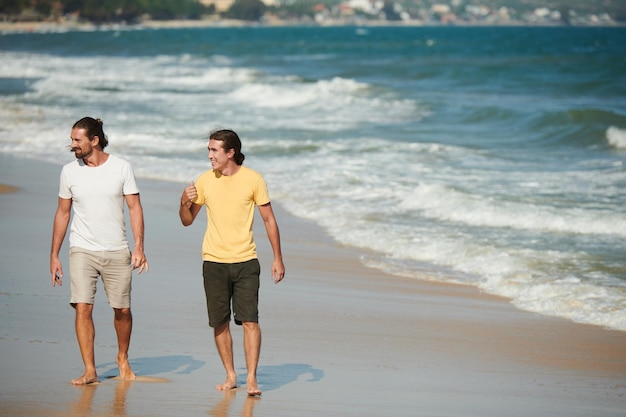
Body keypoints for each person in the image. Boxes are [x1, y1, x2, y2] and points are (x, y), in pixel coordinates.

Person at [179, 129, 285, 396]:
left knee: (250, 320)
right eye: (209, 149)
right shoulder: (204, 181)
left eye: (214, 150)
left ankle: (251, 378)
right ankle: (230, 375)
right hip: (213, 262)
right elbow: (187, 220)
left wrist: (278, 258)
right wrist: (183, 201)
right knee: (219, 322)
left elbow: (269, 219)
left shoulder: (253, 179)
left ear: (231, 153)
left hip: (246, 261)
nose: (209, 155)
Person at [50, 117, 149, 385]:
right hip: (82, 248)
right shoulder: (69, 171)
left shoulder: (121, 168)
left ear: (94, 140)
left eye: (76, 140)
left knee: (122, 310)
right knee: (82, 307)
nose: (72, 145)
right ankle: (90, 369)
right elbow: (62, 213)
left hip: (117, 249)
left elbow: (135, 208)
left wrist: (139, 247)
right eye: (71, 139)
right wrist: (54, 255)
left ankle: (122, 357)